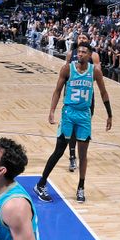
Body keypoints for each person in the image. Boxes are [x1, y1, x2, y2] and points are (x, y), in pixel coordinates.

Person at [34, 41, 112, 203]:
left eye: (84, 52)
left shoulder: (94, 72)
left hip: (84, 115)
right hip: (69, 113)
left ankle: (81, 187)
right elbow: (57, 91)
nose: (81, 54)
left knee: (82, 155)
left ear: (90, 55)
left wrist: (109, 114)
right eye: (79, 52)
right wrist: (52, 111)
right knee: (59, 150)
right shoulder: (67, 69)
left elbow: (104, 93)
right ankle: (41, 183)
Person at [64, 33, 100, 172]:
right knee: (71, 129)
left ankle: (80, 155)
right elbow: (65, 74)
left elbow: (98, 75)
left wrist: (84, 77)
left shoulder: (94, 56)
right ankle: (72, 157)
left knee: (82, 127)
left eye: (84, 38)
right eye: (80, 38)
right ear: (77, 40)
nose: (82, 40)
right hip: (72, 96)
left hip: (87, 96)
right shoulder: (70, 54)